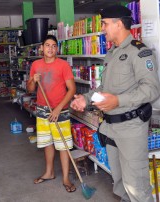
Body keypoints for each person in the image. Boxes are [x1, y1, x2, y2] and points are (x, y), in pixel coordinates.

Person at [71, 5, 160, 202]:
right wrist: (85, 99)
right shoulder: (112, 54)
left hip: (131, 128)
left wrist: (118, 101)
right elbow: (104, 88)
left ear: (118, 24)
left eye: (104, 24)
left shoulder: (140, 52)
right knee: (120, 184)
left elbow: (152, 89)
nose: (102, 28)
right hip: (111, 127)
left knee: (137, 186)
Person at [27, 35, 76, 193]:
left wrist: (58, 108)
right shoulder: (35, 64)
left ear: (57, 48)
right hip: (42, 110)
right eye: (47, 45)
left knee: (63, 146)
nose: (50, 48)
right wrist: (33, 80)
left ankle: (66, 179)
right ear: (42, 47)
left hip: (60, 110)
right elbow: (30, 90)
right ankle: (49, 173)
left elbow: (72, 89)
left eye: (54, 46)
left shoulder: (63, 65)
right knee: (47, 143)